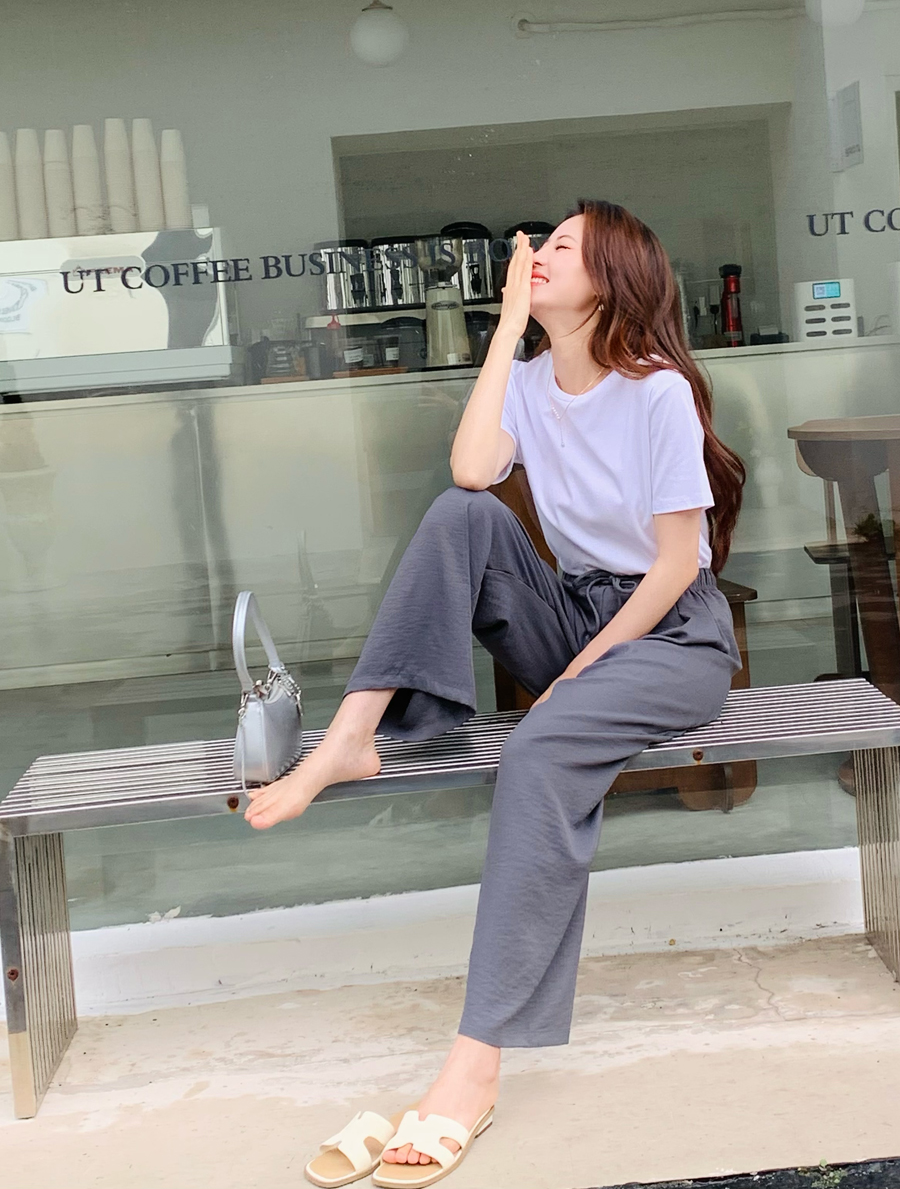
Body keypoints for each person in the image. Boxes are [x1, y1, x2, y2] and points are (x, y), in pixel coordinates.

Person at [244, 199, 747, 1188]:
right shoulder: (526, 377)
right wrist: (509, 324)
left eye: (562, 248)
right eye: (541, 246)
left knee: (539, 747)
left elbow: (673, 566)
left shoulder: (657, 392)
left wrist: (576, 674)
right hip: (577, 608)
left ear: (613, 278)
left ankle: (472, 1070)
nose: (539, 255)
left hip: (671, 634)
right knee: (459, 514)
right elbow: (474, 468)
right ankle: (351, 736)